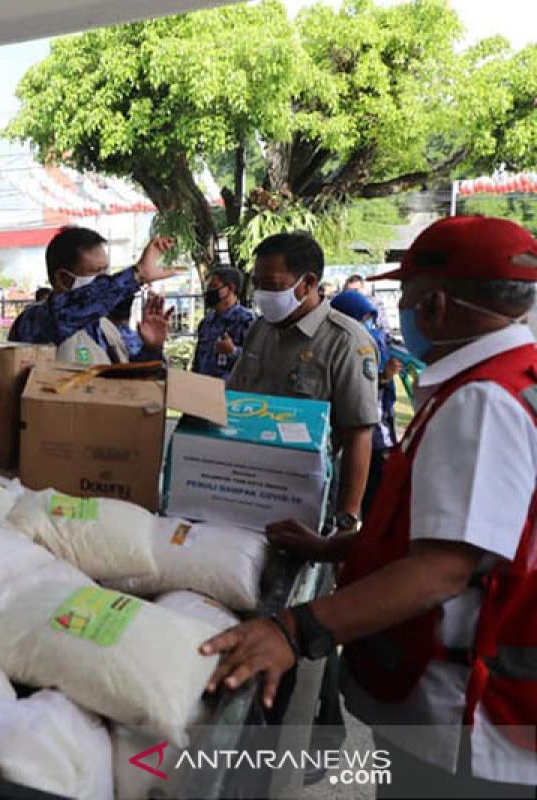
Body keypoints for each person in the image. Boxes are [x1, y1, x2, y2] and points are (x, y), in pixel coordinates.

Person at [202, 216, 537, 797]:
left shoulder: (484, 401)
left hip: (461, 722)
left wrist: (294, 628)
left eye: (404, 295)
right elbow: (457, 531)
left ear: (433, 304)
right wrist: (337, 547)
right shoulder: (505, 378)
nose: (399, 309)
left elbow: (443, 568)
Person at [228, 232, 380, 528]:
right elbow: (234, 397)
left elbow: (359, 434)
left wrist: (347, 517)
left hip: (309, 494)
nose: (261, 295)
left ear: (308, 283)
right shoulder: (261, 330)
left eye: (272, 286)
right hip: (248, 481)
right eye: (257, 285)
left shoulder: (345, 341)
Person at [7, 226, 177, 364]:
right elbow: (69, 310)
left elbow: (133, 386)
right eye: (96, 273)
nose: (105, 280)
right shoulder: (38, 321)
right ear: (63, 279)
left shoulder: (106, 329)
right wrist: (137, 275)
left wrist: (152, 348)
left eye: (106, 270)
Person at [330, 289, 402, 514]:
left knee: (377, 500)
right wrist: (384, 378)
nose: (369, 325)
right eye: (362, 320)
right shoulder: (344, 350)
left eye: (370, 319)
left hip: (381, 439)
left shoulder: (378, 344)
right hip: (360, 439)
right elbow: (358, 393)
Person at [191, 267, 256, 381]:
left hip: (231, 393)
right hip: (203, 389)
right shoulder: (207, 322)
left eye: (214, 287)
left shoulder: (247, 320)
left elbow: (257, 362)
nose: (208, 292)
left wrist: (233, 351)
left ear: (230, 288)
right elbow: (198, 362)